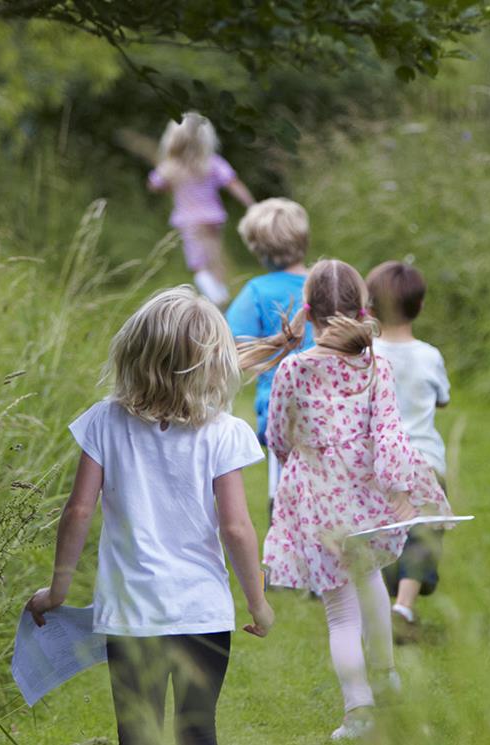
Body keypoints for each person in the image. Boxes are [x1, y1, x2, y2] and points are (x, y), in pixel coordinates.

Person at [25, 286, 273, 745]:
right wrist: (257, 601)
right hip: (201, 614)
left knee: (137, 732)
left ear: (135, 353)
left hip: (132, 613)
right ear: (213, 363)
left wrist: (57, 591)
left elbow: (79, 510)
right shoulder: (222, 433)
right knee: (197, 729)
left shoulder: (104, 421)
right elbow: (236, 528)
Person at [237, 259, 452, 740]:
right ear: (362, 307)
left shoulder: (294, 368)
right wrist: (401, 487)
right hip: (366, 492)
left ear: (307, 310)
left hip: (320, 500)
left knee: (340, 611)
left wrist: (300, 452)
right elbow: (389, 432)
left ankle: (359, 709)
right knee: (371, 577)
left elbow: (278, 437)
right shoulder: (376, 362)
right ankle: (387, 676)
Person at [365, 261, 451, 637]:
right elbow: (442, 398)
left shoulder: (364, 353)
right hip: (425, 461)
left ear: (369, 307)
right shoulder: (429, 355)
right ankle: (405, 605)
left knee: (382, 531)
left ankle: (384, 606)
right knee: (424, 531)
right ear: (419, 306)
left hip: (378, 461)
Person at [225, 198, 315, 498]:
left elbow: (230, 345)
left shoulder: (257, 291)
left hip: (282, 413)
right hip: (337, 407)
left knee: (286, 498)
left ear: (258, 249)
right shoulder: (326, 283)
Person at [147, 113, 255, 305]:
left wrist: (167, 185)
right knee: (215, 257)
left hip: (189, 220)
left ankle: (216, 297)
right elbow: (233, 183)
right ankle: (221, 294)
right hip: (213, 217)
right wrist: (251, 205)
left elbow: (155, 184)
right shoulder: (212, 162)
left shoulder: (171, 166)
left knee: (198, 264)